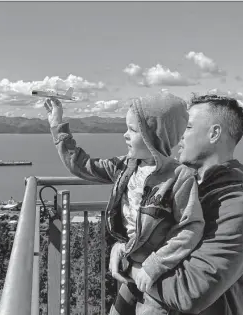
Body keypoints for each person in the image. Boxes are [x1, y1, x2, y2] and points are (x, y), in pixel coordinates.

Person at [45, 92, 205, 314]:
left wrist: (152, 267)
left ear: (155, 135)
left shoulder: (179, 176)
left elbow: (190, 227)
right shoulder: (125, 166)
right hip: (130, 272)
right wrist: (57, 126)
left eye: (132, 130)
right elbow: (82, 165)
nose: (125, 135)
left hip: (156, 279)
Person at [126, 94, 243, 315]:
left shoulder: (237, 205)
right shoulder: (188, 185)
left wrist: (129, 266)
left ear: (214, 133)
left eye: (187, 128)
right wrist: (119, 247)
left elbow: (187, 292)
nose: (178, 136)